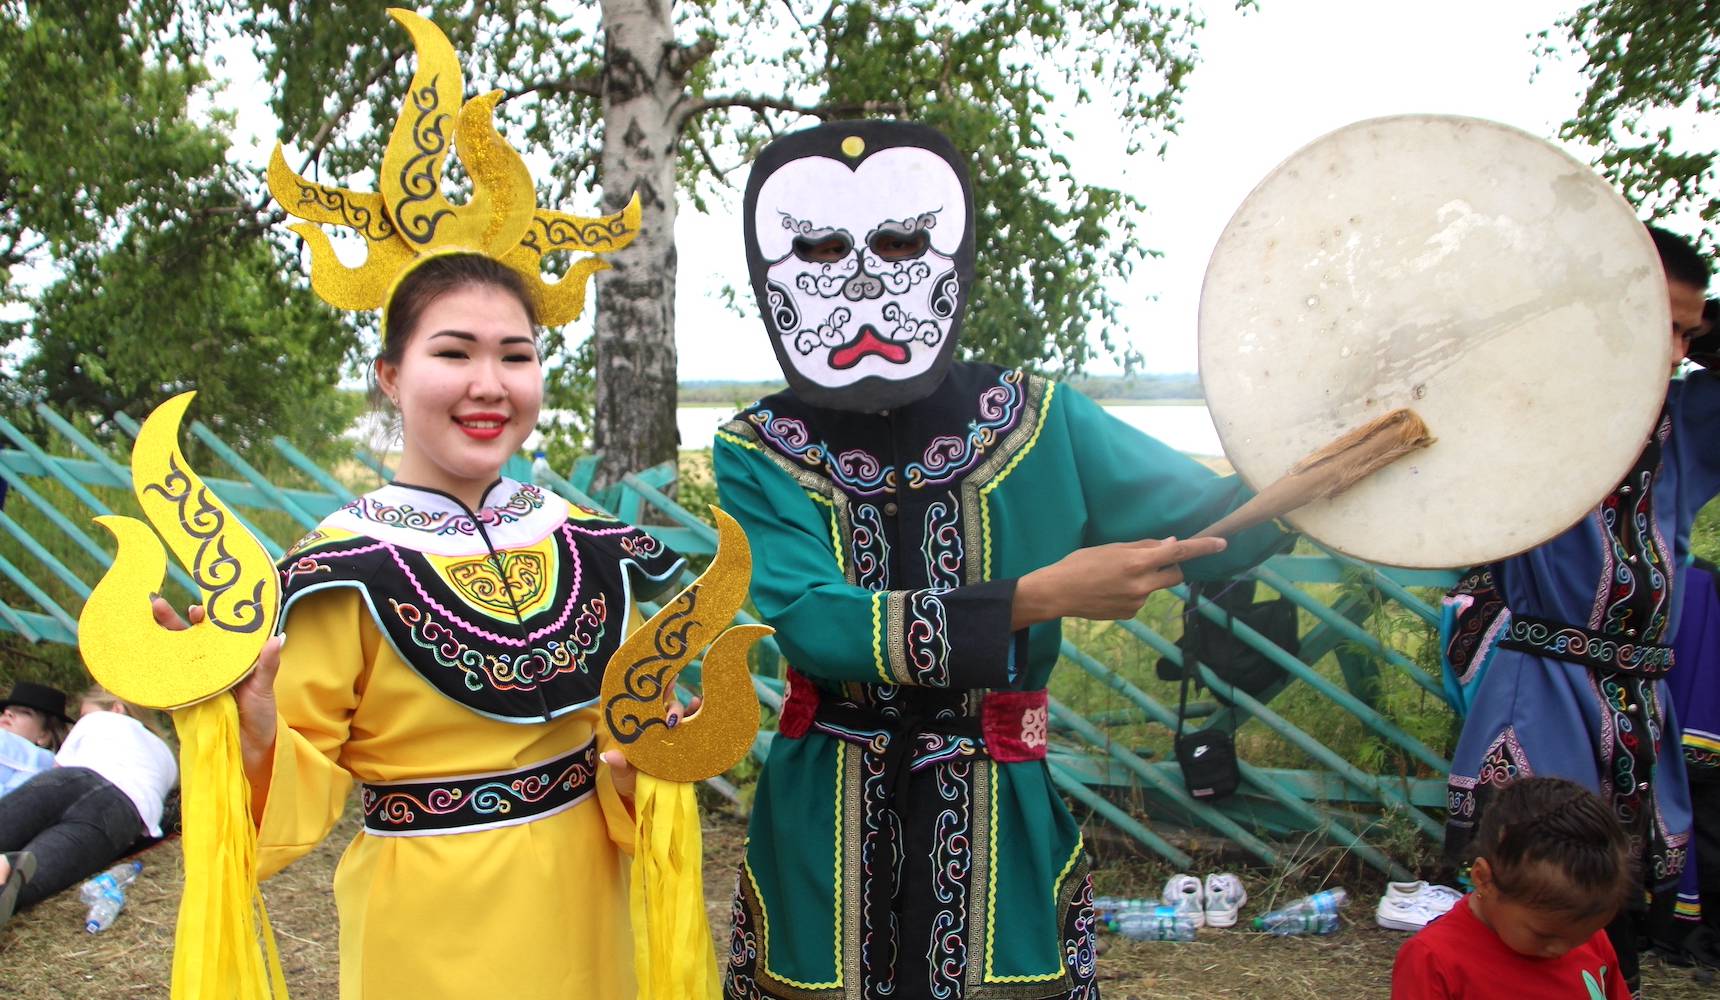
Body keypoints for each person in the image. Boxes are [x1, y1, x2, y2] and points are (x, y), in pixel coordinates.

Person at [714, 120, 1287, 999]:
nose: (863, 272)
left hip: (997, 806)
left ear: (947, 249)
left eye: (901, 239)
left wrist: (1322, 459)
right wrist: (1034, 596)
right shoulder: (759, 449)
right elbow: (816, 623)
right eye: (821, 246)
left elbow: (1222, 524)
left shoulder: (1037, 420)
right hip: (822, 809)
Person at [152, 251, 684, 998]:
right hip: (430, 926)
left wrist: (654, 760)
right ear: (391, 376)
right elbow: (287, 796)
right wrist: (253, 734)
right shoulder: (340, 571)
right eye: (453, 352)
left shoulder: (588, 545)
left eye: (516, 355)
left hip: (595, 903)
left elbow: (624, 738)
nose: (489, 385)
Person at [1441, 225, 1717, 993]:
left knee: (1608, 904)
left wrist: (1696, 328)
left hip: (1639, 704)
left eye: (1687, 335)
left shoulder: (1684, 425)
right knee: (1534, 892)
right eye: (1659, 324)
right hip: (1543, 694)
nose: (1672, 352)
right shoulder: (1526, 405)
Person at [1392, 777, 1633, 998]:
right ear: (1484, 879)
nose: (1562, 949)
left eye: (1585, 935)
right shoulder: (1433, 960)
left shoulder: (1580, 933)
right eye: (1544, 935)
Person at [0, 685, 177, 927]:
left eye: (83, 715)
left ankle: (4, 863)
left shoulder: (98, 721)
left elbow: (56, 770)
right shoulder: (168, 758)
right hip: (122, 813)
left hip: (71, 780)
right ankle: (7, 870)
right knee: (31, 877)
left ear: (117, 708)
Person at [0, 680, 73, 796]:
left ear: (44, 735)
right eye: (4, 711)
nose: (8, 713)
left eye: (25, 712)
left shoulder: (43, 779)